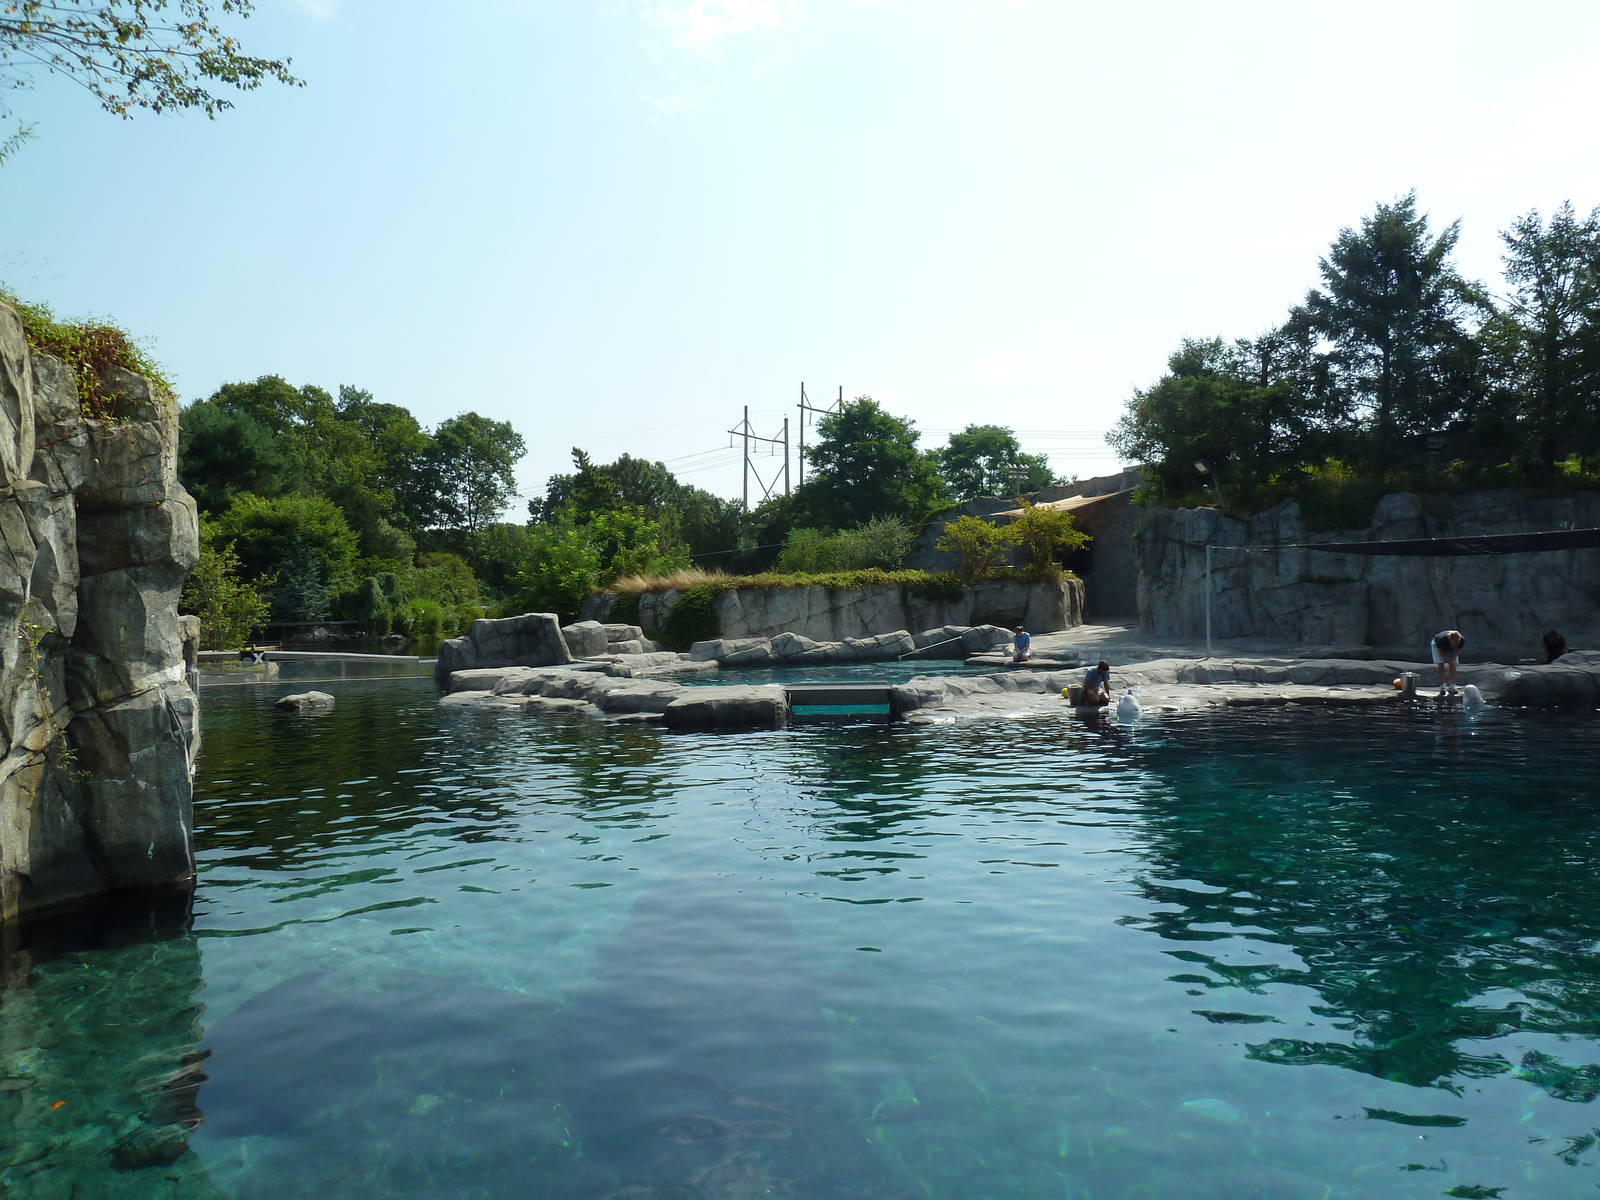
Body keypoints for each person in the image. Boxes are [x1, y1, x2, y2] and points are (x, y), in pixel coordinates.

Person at [1430, 629, 1464, 698]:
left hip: (1450, 648)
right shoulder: (1442, 640)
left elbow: (1457, 652)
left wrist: (1452, 659)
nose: (1455, 643)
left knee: (1453, 664)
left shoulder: (1461, 641)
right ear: (1450, 640)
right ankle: (1442, 686)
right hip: (1437, 645)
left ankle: (1452, 686)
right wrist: (1449, 659)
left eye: (1457, 642)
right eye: (1454, 642)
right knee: (1441, 664)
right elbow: (1442, 653)